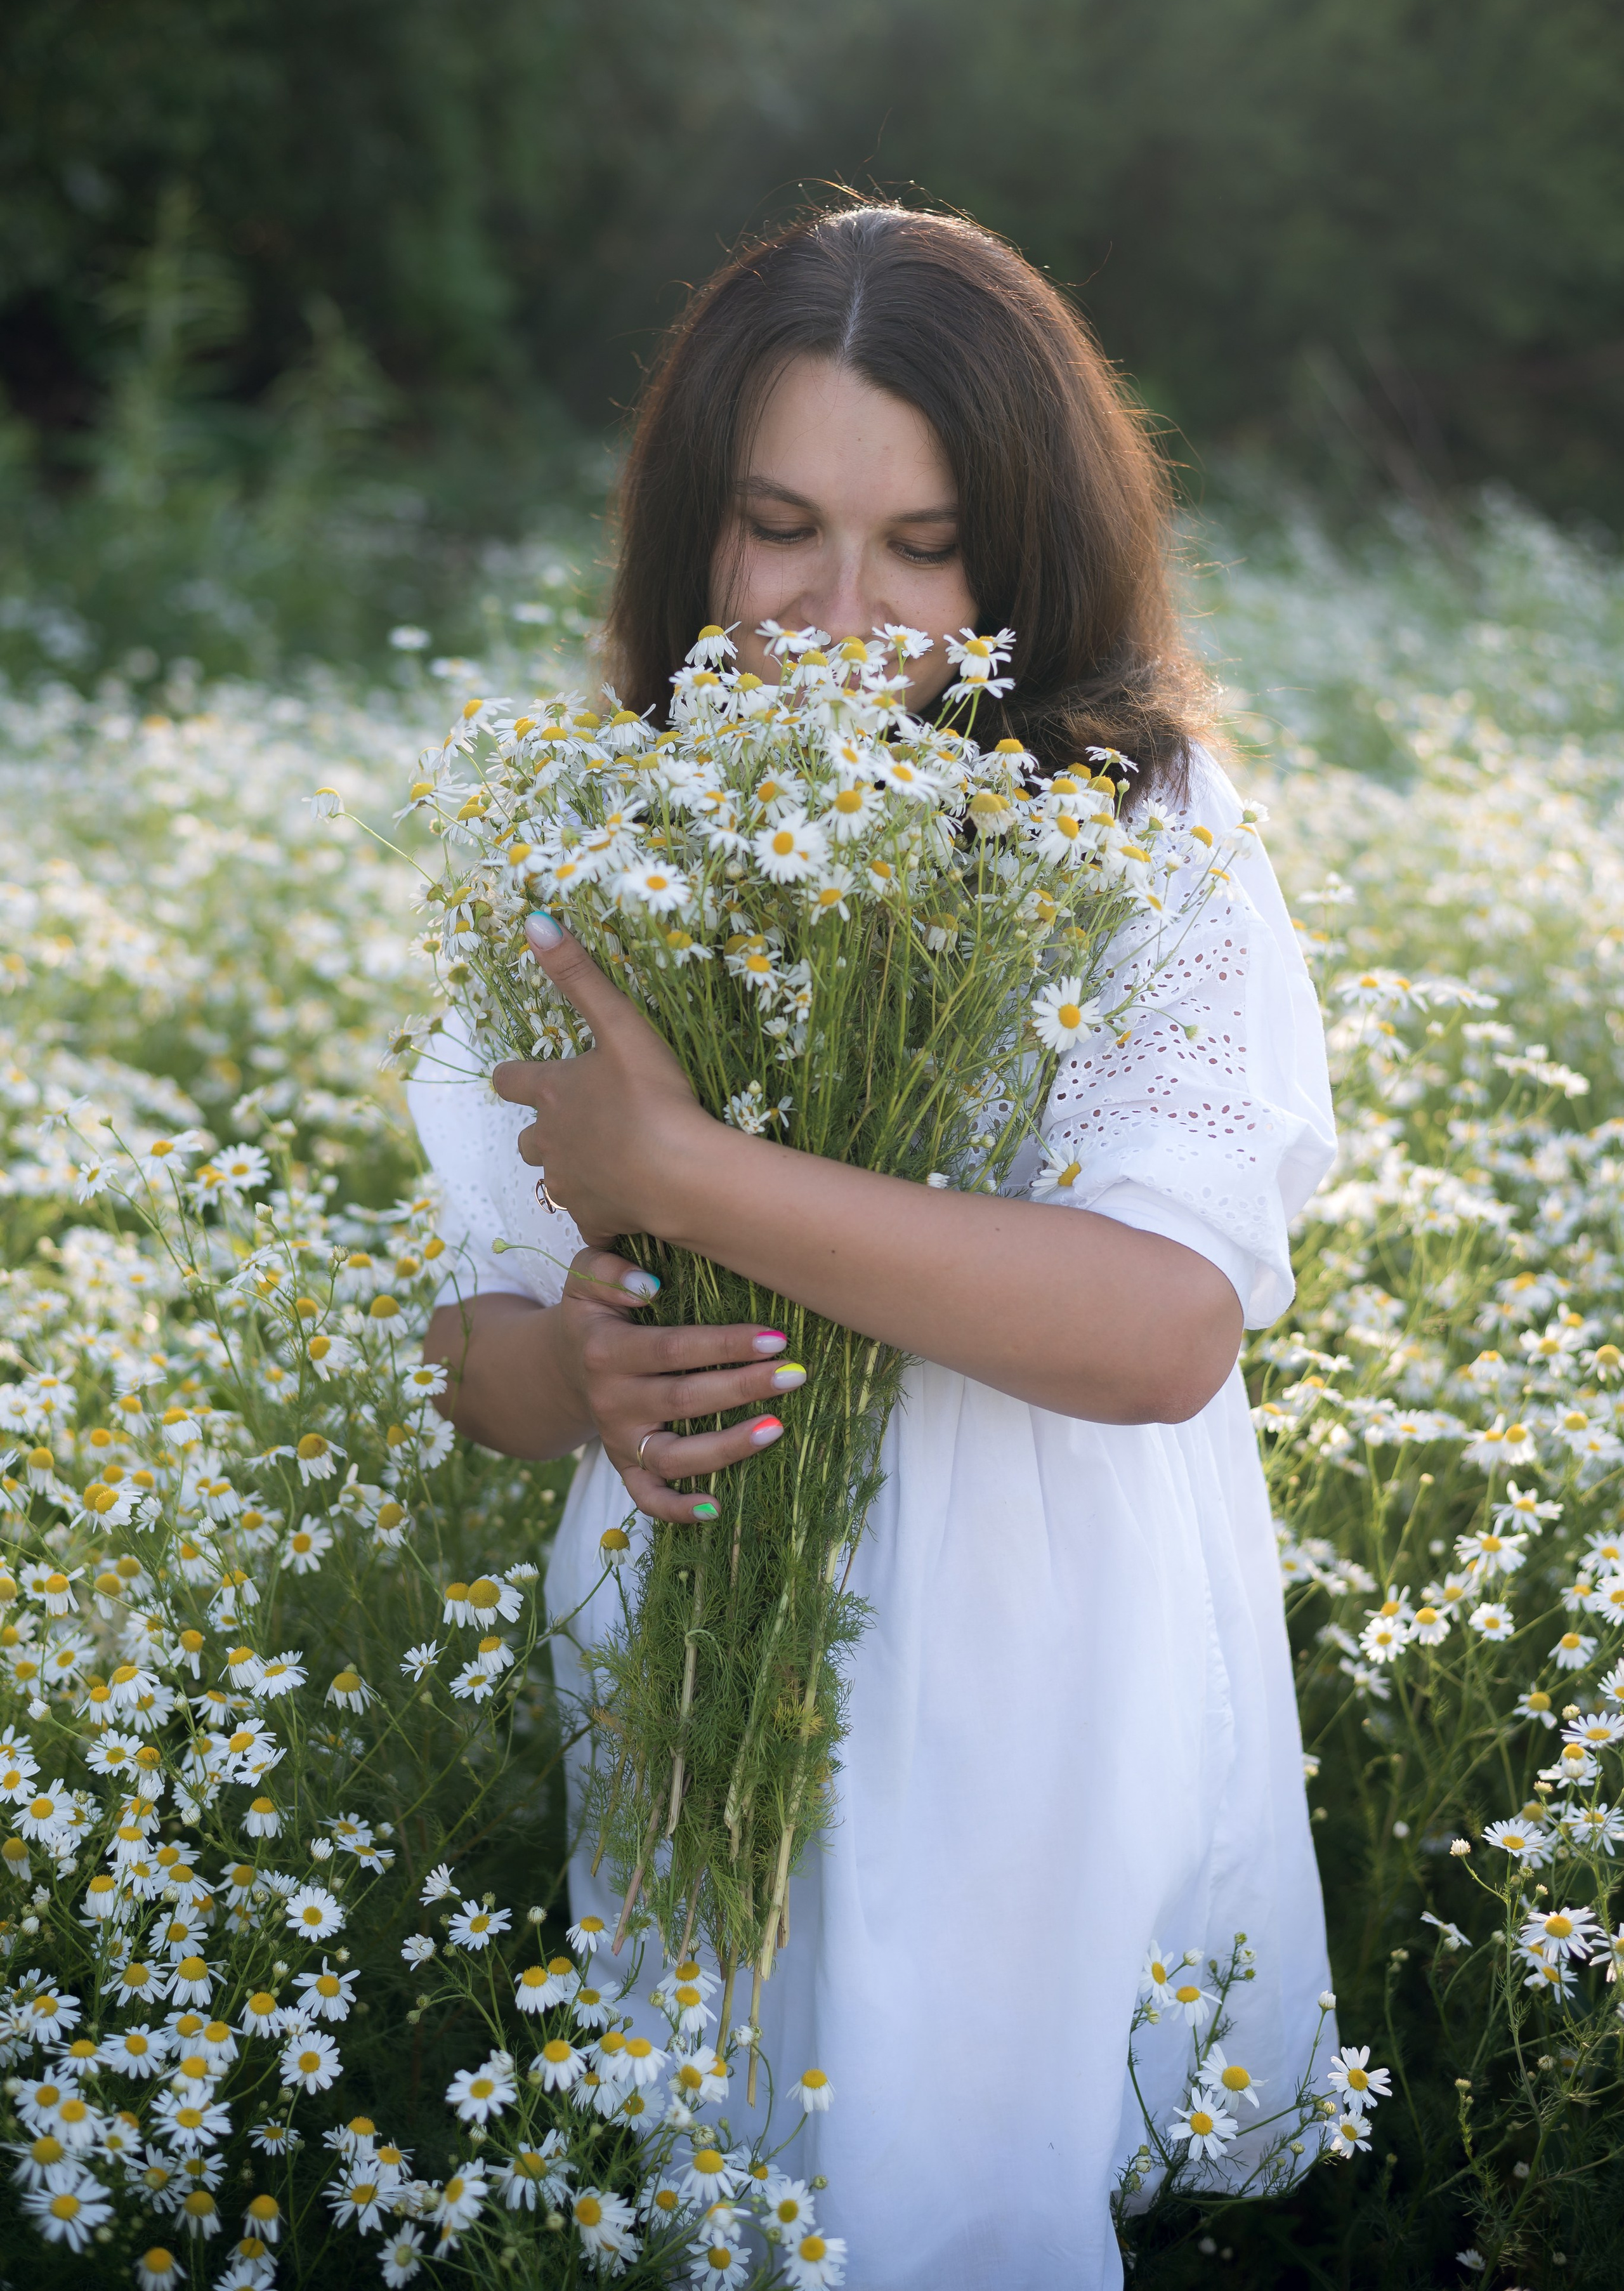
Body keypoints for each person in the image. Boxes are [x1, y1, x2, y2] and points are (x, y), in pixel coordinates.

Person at [409, 203, 1335, 2290]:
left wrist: (686, 1171)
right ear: (693, 531)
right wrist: (577, 1369)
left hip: (1028, 1644)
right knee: (717, 2167)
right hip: (689, 1636)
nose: (845, 616)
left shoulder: (1136, 830)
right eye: (780, 530)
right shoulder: (600, 830)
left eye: (926, 546)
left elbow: (1162, 1328)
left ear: (1026, 557)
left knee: (959, 2190)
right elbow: (477, 1339)